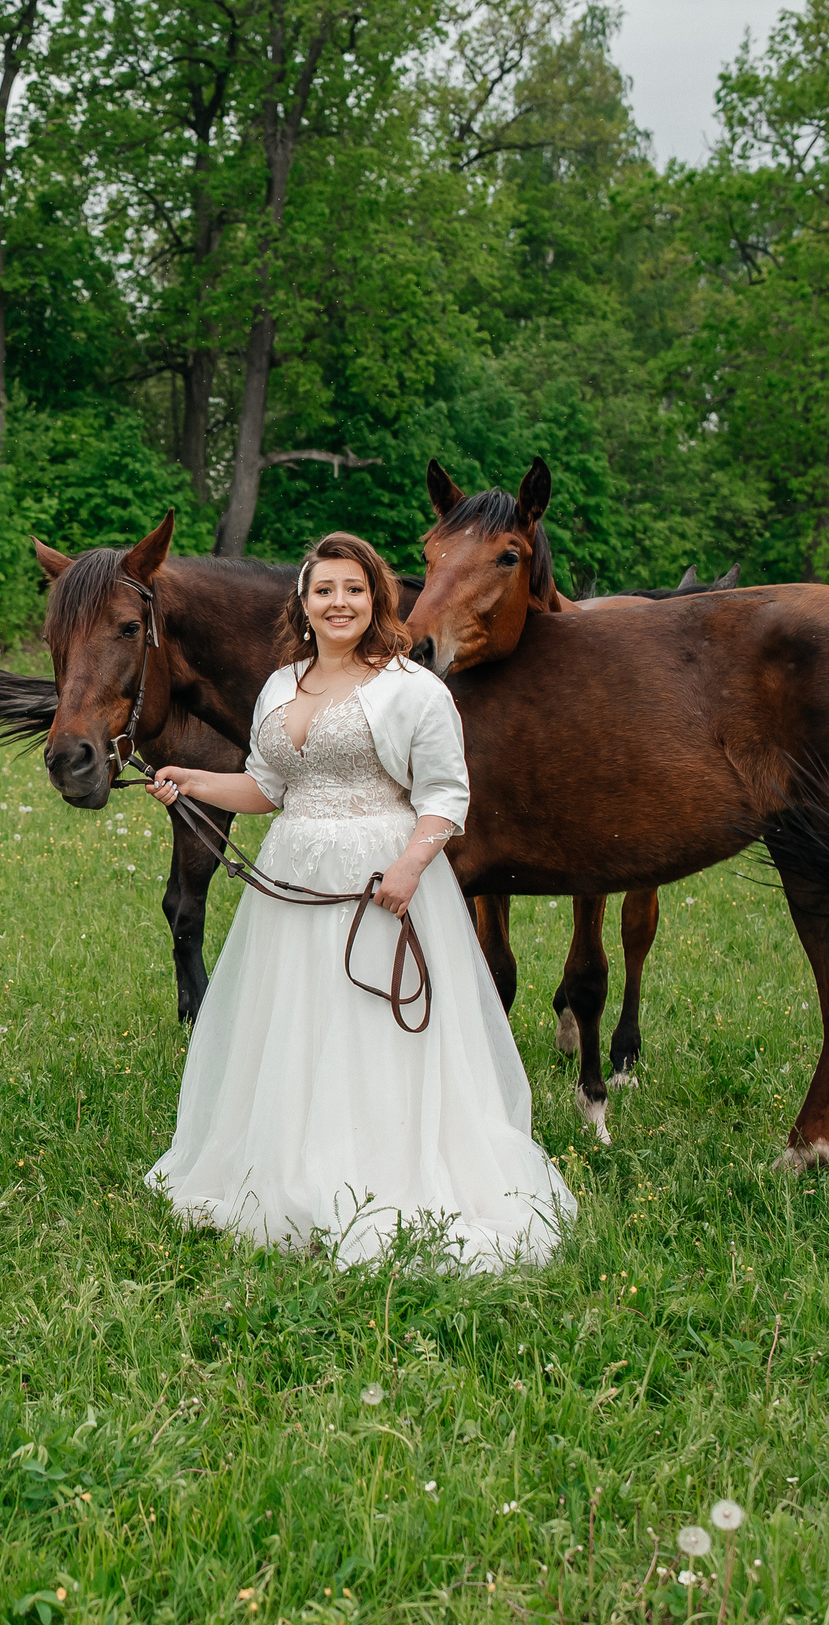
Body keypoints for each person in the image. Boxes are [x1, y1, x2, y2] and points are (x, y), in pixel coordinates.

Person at [141, 532, 573, 1271]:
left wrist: (410, 862)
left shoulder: (412, 688)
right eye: (324, 590)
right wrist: (194, 780)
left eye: (353, 589)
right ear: (303, 604)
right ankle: (288, 1163)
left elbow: (446, 794)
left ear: (377, 601)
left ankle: (379, 1172)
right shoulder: (282, 686)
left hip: (383, 880)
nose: (338, 603)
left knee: (373, 1026)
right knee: (294, 1022)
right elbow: (269, 788)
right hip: (297, 876)